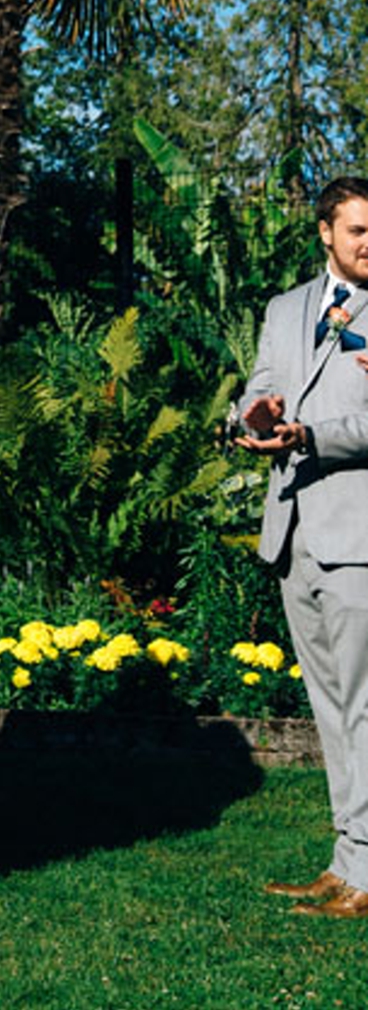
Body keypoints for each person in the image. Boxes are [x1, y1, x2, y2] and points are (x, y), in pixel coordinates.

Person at [238, 176, 368, 919]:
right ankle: (346, 860)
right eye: (357, 231)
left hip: (359, 537)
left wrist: (311, 435)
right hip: (294, 535)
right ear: (325, 232)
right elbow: (261, 388)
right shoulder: (285, 309)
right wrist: (254, 416)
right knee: (331, 709)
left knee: (365, 707)